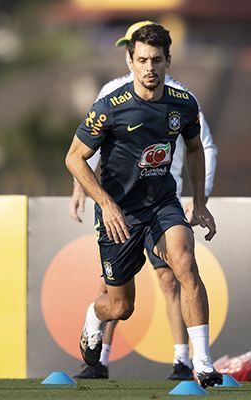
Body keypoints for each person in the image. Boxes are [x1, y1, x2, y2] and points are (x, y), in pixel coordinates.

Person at [65, 23, 222, 388]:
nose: (149, 67)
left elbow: (197, 148)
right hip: (119, 212)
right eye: (142, 60)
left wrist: (199, 202)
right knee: (120, 307)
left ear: (168, 60)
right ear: (130, 61)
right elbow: (74, 157)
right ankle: (93, 316)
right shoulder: (110, 106)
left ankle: (202, 362)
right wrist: (105, 202)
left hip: (162, 203)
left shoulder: (183, 104)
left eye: (156, 60)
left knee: (184, 263)